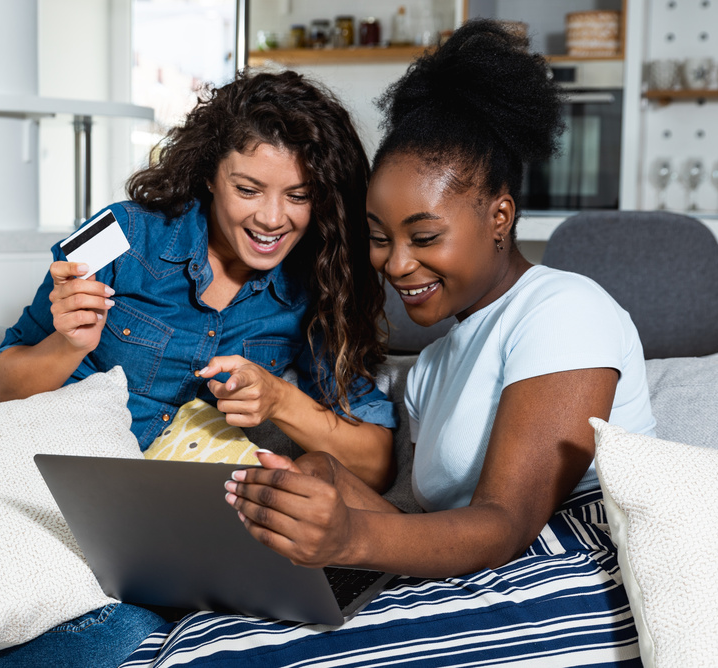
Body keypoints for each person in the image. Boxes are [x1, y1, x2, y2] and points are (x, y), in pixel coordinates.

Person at [0, 70, 397, 667]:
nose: (271, 218)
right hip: (20, 475)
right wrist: (68, 344)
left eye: (298, 196)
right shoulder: (120, 233)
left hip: (133, 548)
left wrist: (280, 401)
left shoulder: (316, 288)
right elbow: (2, 389)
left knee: (128, 639)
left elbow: (373, 461)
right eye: (248, 188)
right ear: (211, 174)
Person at [121, 19, 657, 667]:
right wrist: (321, 484)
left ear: (499, 217)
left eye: (424, 237)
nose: (397, 264)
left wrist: (348, 534)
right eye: (380, 236)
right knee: (197, 634)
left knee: (226, 656)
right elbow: (411, 528)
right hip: (479, 573)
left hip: (579, 573)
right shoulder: (431, 366)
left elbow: (505, 524)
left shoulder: (563, 309)